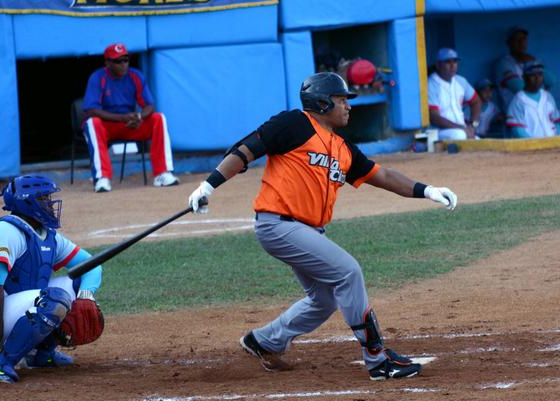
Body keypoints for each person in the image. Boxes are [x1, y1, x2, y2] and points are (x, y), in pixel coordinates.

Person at [187, 72, 458, 381]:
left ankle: (264, 341)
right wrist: (208, 186)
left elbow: (381, 176)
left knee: (324, 299)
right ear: (322, 102)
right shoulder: (294, 124)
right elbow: (246, 149)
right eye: (342, 100)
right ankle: (377, 357)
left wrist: (427, 190)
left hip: (306, 231)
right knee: (348, 271)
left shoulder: (341, 146)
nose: (348, 107)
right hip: (279, 225)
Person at [0, 175, 103, 383]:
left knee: (74, 287)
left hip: (13, 307)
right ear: (27, 201)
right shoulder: (6, 232)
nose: (51, 204)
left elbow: (91, 266)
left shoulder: (47, 235)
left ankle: (40, 355)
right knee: (55, 299)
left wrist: (85, 297)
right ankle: (0, 363)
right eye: (45, 198)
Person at [83, 43, 179, 192]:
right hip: (107, 125)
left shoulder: (135, 76)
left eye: (125, 60)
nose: (123, 65)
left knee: (158, 118)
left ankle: (162, 173)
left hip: (130, 124)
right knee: (92, 123)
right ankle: (102, 178)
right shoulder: (98, 78)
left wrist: (139, 117)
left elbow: (149, 106)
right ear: (107, 62)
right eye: (117, 61)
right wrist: (122, 118)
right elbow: (91, 110)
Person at [495, 26, 556, 112]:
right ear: (509, 43)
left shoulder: (532, 60)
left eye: (524, 39)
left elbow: (552, 81)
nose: (521, 42)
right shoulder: (503, 63)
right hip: (516, 114)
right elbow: (519, 88)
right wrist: (541, 87)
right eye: (517, 39)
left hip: (538, 112)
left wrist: (533, 63)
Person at [428, 48, 481, 140]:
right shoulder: (431, 84)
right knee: (459, 135)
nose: (453, 65)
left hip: (462, 129)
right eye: (448, 62)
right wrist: (461, 128)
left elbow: (476, 102)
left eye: (455, 61)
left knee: (478, 141)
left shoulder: (461, 81)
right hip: (440, 131)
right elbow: (434, 117)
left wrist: (473, 125)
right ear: (438, 65)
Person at [506, 61, 560, 138]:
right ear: (524, 77)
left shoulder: (548, 96)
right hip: (531, 146)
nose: (537, 78)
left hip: (552, 143)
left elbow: (557, 121)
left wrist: (556, 138)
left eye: (540, 74)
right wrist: (533, 144)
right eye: (532, 75)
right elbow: (517, 130)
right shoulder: (518, 101)